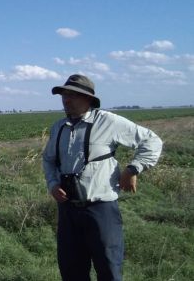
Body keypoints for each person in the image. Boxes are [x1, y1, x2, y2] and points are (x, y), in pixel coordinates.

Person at [42, 74, 163, 281]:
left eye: (73, 95)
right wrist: (53, 184)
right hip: (68, 210)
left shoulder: (108, 121)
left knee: (108, 268)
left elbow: (151, 141)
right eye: (64, 95)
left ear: (88, 99)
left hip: (101, 210)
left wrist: (133, 169)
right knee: (71, 270)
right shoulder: (59, 127)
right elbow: (49, 160)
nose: (66, 100)